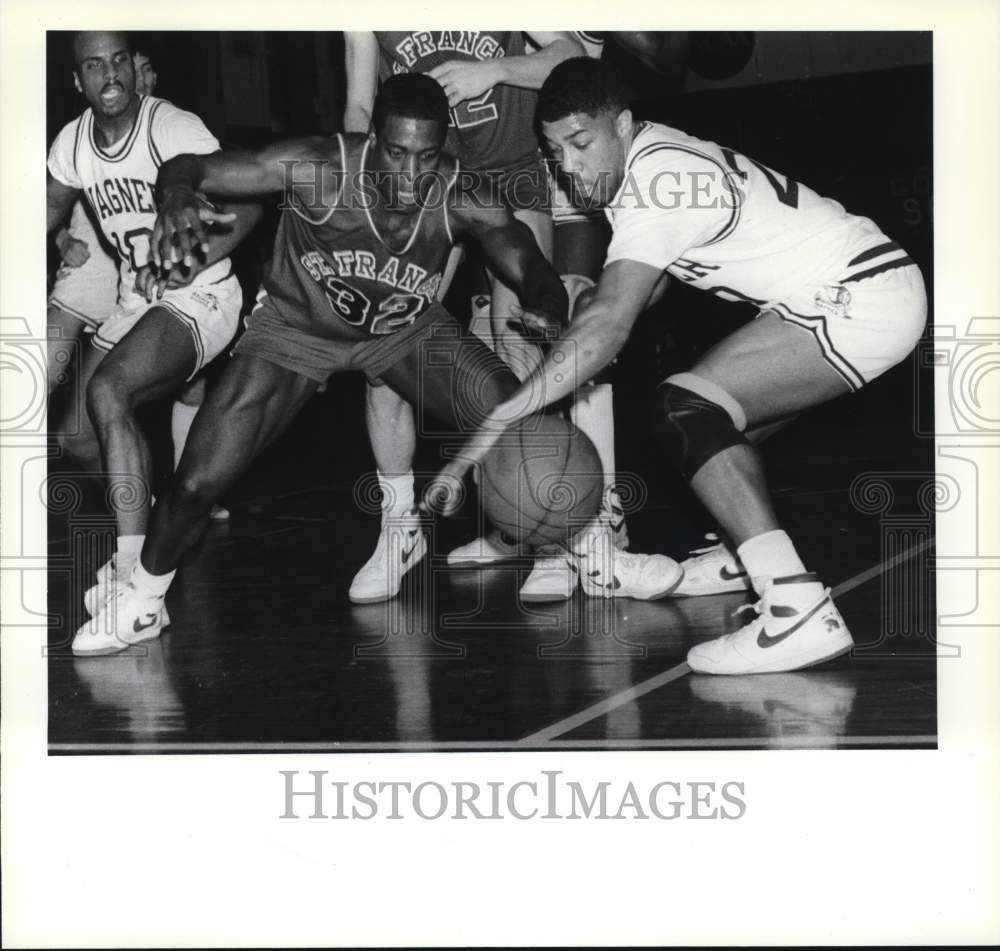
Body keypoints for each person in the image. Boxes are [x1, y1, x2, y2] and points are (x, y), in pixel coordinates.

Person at [71, 73, 680, 657]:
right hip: (296, 332)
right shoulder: (317, 165)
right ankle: (146, 599)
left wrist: (548, 307)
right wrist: (177, 192)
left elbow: (527, 266)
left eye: (426, 156)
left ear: (443, 149)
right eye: (395, 152)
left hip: (404, 332)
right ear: (372, 141)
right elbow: (198, 168)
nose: (410, 172)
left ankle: (600, 553)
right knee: (199, 481)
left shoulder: (461, 193)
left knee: (520, 422)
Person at [428, 58, 927, 675]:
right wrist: (584, 319)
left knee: (685, 406)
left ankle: (795, 606)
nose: (571, 165)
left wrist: (502, 417)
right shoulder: (649, 162)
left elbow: (613, 322)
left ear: (623, 123)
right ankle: (741, 555)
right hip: (851, 291)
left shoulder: (653, 181)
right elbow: (645, 290)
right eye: (557, 153)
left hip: (861, 298)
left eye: (582, 143)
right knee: (719, 424)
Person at [344, 31, 676, 604]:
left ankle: (564, 535)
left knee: (522, 335)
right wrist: (354, 187)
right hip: (431, 179)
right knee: (385, 339)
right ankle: (400, 530)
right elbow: (357, 103)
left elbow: (574, 58)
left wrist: (492, 70)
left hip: (517, 173)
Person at [46, 32, 259, 618]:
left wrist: (184, 262)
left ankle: (137, 584)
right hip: (135, 302)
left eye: (119, 61)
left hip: (201, 296)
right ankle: (146, 518)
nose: (110, 74)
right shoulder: (72, 144)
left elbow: (250, 204)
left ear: (135, 71)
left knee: (108, 390)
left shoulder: (173, 128)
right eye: (94, 65)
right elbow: (42, 211)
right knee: (75, 436)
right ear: (78, 81)